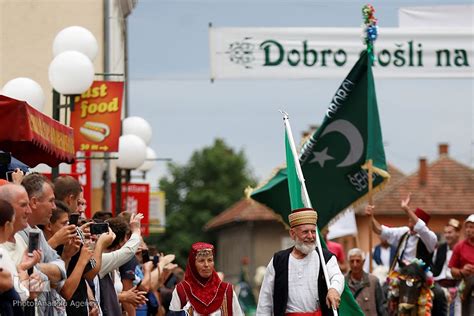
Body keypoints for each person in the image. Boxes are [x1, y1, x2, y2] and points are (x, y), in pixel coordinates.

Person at [365, 194, 447, 316]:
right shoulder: (403, 233)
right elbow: (379, 230)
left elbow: (422, 228)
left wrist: (407, 209)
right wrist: (370, 216)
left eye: (412, 218)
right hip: (401, 275)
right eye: (409, 218)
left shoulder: (430, 238)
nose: (409, 221)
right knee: (383, 291)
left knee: (439, 294)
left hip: (421, 277)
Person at [256, 208, 344, 316]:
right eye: (305, 232)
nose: (311, 236)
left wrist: (334, 289)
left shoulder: (326, 258)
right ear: (293, 234)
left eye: (313, 231)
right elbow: (265, 299)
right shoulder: (278, 260)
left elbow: (337, 276)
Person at [169, 242, 243, 315]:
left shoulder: (227, 291)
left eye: (210, 260)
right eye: (201, 261)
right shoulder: (181, 291)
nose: (206, 265)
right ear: (193, 264)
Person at [345, 248, 387, 316]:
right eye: (352, 261)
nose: (355, 264)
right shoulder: (342, 282)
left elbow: (381, 307)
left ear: (363, 262)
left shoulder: (373, 281)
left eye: (358, 261)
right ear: (348, 262)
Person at [433, 218, 462, 315]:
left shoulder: (462, 249)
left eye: (450, 232)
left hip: (457, 286)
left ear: (458, 233)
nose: (447, 235)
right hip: (440, 286)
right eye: (445, 233)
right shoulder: (440, 248)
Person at [448, 214, 474, 316]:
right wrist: (462, 271)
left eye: (471, 227)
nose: (468, 230)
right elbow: (452, 270)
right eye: (466, 227)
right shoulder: (459, 247)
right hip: (464, 284)